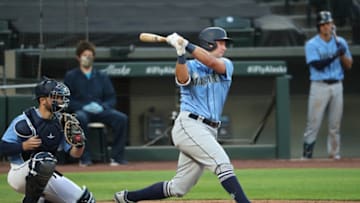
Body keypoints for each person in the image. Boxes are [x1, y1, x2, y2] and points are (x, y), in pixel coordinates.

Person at [114, 27, 250, 203]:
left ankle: (127, 198)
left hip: (210, 130)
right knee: (222, 163)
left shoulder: (226, 64)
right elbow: (183, 79)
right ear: (209, 43)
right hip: (190, 125)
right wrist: (180, 54)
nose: (224, 47)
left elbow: (211, 63)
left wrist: (186, 44)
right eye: (221, 42)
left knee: (178, 187)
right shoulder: (190, 65)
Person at [0, 78, 95, 202]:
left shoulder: (62, 121)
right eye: (56, 97)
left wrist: (79, 144)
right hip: (19, 173)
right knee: (43, 160)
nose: (61, 101)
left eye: (61, 97)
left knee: (85, 200)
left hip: (47, 173)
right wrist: (23, 146)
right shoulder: (25, 121)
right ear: (43, 100)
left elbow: (75, 154)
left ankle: (42, 199)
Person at [64, 40, 128, 167]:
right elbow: (66, 100)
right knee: (80, 118)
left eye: (90, 55)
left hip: (100, 110)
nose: (87, 58)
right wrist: (81, 107)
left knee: (121, 118)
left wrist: (103, 107)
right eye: (84, 55)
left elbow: (111, 98)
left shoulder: (102, 76)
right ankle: (85, 158)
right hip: (81, 110)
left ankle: (117, 157)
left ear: (93, 57)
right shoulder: (71, 76)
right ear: (78, 57)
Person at [302, 11, 353, 160]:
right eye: (323, 24)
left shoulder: (340, 42)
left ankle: (334, 155)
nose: (327, 27)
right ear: (319, 26)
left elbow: (349, 64)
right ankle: (307, 156)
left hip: (337, 85)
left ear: (333, 25)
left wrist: (342, 53)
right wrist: (335, 55)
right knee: (313, 123)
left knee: (335, 125)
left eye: (329, 24)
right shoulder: (311, 44)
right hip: (319, 86)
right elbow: (317, 65)